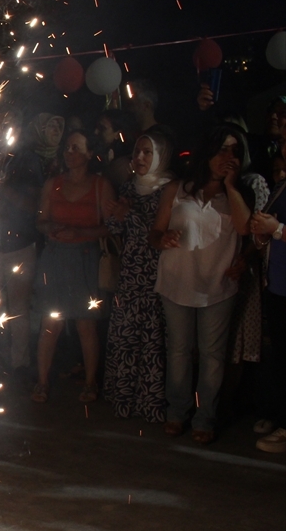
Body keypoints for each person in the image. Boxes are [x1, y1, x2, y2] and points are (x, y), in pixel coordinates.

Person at [150, 126, 252, 444]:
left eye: (234, 151)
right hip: (177, 282)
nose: (228, 157)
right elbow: (154, 233)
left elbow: (245, 228)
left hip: (217, 286)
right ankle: (177, 412)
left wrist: (232, 186)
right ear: (207, 152)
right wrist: (163, 239)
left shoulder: (240, 194)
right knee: (179, 351)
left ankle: (205, 417)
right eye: (222, 149)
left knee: (212, 355)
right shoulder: (178, 189)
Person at [32, 130, 116, 403]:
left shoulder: (100, 186)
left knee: (85, 323)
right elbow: (40, 221)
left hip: (84, 258)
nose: (70, 153)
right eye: (67, 148)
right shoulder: (53, 184)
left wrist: (81, 233)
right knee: (50, 322)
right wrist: (52, 227)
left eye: (77, 148)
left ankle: (90, 383)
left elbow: (112, 227)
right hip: (55, 258)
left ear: (90, 153)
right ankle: (42, 382)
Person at [103, 129, 175, 422]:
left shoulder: (169, 189)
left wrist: (127, 215)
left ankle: (150, 404)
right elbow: (118, 228)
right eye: (137, 152)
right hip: (131, 271)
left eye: (148, 152)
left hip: (157, 271)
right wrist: (114, 215)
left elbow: (154, 233)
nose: (140, 157)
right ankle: (123, 398)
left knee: (153, 339)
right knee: (126, 335)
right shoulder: (130, 187)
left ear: (160, 156)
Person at [0, 111, 43, 376]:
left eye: (7, 124)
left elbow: (33, 205)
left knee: (18, 308)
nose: (1, 129)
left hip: (20, 245)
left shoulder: (28, 160)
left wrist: (3, 189)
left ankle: (20, 363)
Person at [250, 168, 286, 452]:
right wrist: (262, 233)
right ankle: (280, 416)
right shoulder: (282, 185)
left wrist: (277, 229)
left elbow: (277, 229)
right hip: (278, 285)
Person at [93, 109, 138, 193]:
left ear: (118, 134)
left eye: (102, 128)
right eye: (96, 127)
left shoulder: (123, 166)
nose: (96, 132)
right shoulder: (100, 157)